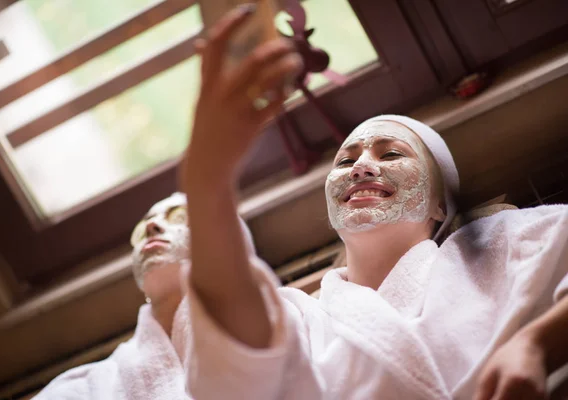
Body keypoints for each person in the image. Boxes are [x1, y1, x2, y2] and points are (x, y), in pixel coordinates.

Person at [181, 5, 568, 400]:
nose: (361, 168)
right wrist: (206, 183)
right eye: (346, 161)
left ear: (440, 205)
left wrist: (538, 343)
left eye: (392, 155)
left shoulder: (498, 244)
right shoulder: (299, 315)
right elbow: (234, 367)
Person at [34, 193, 193, 400]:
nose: (151, 225)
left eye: (179, 217)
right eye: (140, 233)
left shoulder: (248, 332)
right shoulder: (79, 387)